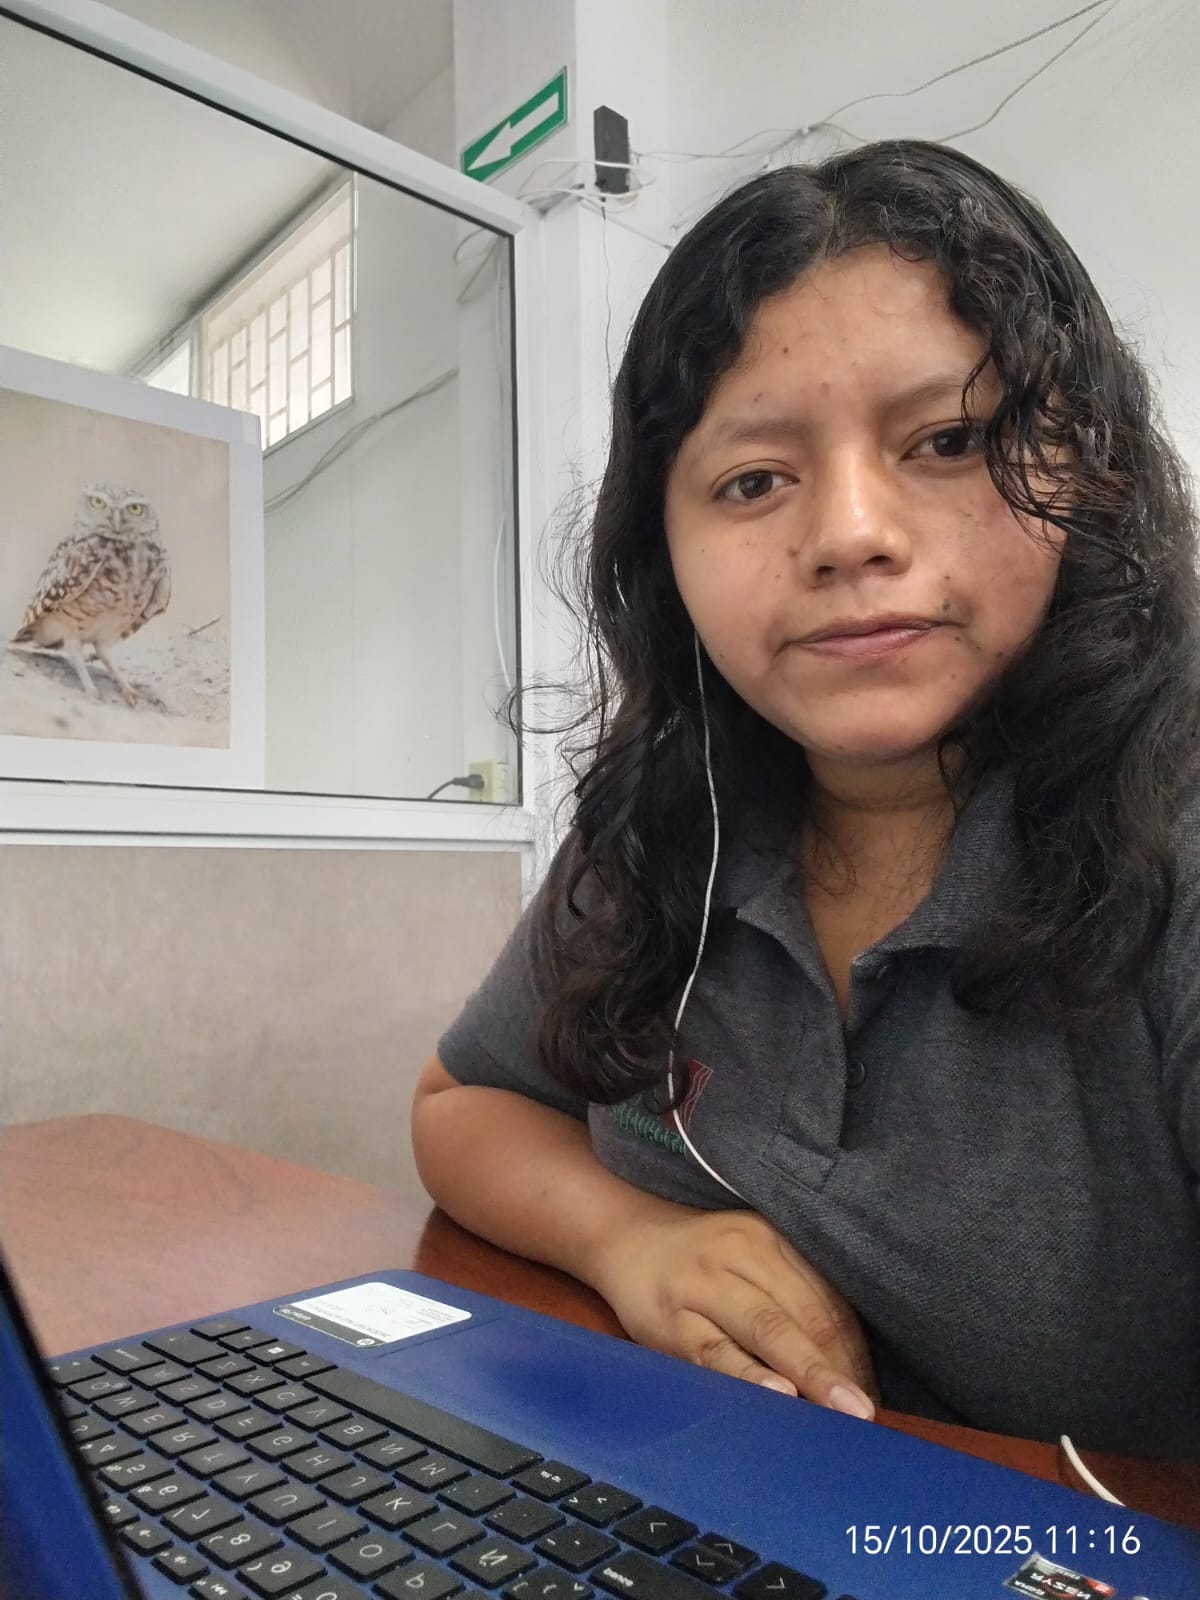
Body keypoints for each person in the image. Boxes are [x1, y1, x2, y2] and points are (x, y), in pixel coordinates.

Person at [412, 139, 1200, 1461]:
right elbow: (461, 1105)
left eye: (949, 440)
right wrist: (632, 1238)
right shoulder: (668, 819)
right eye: (754, 480)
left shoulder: (1175, 826)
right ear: (664, 553)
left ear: (1089, 469)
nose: (849, 535)